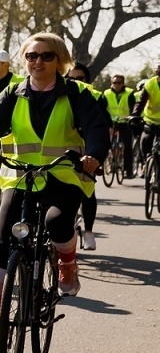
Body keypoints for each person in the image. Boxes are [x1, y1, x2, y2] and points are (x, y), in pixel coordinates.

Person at [0, 33, 108, 349]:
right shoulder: (12, 93)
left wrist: (94, 154)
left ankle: (67, 264)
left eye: (46, 56)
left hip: (63, 175)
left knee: (57, 222)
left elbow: (96, 127)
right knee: (3, 241)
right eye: (32, 56)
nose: (38, 62)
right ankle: (0, 320)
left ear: (59, 60)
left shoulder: (77, 93)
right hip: (20, 176)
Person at [67, 62, 99, 250]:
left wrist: (96, 155)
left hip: (86, 152)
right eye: (71, 78)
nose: (76, 82)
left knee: (87, 190)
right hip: (62, 153)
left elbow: (102, 127)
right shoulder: (59, 95)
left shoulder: (96, 96)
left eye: (80, 78)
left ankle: (88, 232)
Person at [105, 74, 136, 180]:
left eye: (119, 83)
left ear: (123, 83)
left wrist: (131, 116)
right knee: (105, 143)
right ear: (111, 83)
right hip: (111, 123)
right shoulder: (106, 93)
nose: (117, 85)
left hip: (125, 122)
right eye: (114, 83)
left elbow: (133, 107)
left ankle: (128, 170)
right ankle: (109, 162)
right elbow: (102, 109)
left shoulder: (129, 93)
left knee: (127, 146)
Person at [138, 71, 160, 170]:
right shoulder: (150, 83)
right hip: (150, 120)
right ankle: (145, 164)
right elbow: (140, 102)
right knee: (145, 142)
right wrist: (135, 115)